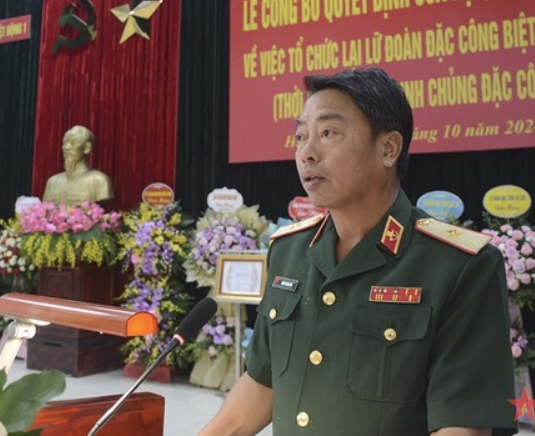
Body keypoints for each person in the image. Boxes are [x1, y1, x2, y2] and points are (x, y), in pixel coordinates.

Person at [198, 68, 515, 435]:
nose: (307, 153)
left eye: (328, 133)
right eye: (301, 136)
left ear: (388, 149)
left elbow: (463, 424)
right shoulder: (289, 251)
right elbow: (262, 384)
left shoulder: (458, 266)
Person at [42, 125, 114, 206]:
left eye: (73, 143)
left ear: (87, 148)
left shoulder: (100, 181)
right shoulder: (52, 182)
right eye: (65, 143)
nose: (66, 147)